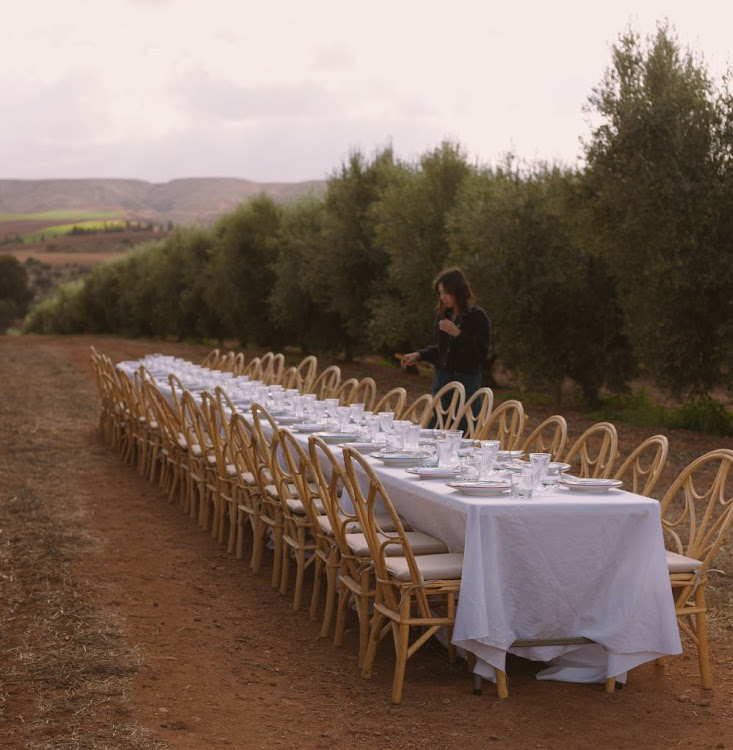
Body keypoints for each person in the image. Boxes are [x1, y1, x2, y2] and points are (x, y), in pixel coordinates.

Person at [401, 268, 491, 424]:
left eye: (446, 293)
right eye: (440, 293)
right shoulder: (442, 316)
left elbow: (480, 354)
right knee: (436, 431)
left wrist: (459, 335)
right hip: (442, 381)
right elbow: (443, 351)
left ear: (458, 291)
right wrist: (419, 355)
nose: (443, 298)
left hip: (467, 384)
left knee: (464, 433)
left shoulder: (478, 317)